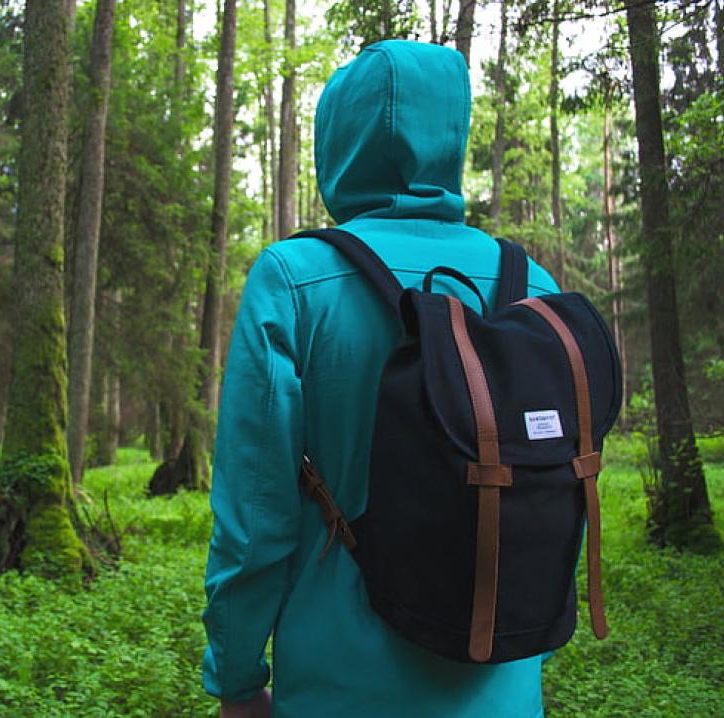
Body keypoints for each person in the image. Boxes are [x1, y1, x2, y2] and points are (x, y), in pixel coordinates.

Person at [202, 40, 561, 718]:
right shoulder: (531, 286)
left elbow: (254, 520)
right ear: (452, 135)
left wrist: (237, 680)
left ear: (338, 140)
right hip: (504, 687)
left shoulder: (292, 280)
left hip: (338, 689)